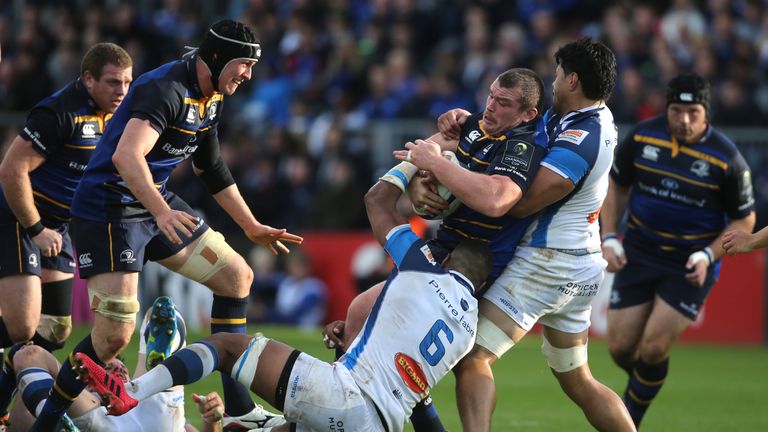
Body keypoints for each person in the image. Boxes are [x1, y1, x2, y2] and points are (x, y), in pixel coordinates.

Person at [71, 168, 495, 432]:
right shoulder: (468, 332)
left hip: (345, 396)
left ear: (450, 258)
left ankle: (131, 392)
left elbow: (377, 201)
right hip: (380, 423)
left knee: (225, 346)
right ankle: (237, 419)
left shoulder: (422, 266)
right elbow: (415, 390)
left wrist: (422, 158)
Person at [31, 20, 303, 431]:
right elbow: (126, 156)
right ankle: (46, 422)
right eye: (243, 64)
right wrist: (160, 212)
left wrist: (250, 224)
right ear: (216, 58)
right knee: (112, 340)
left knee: (236, 278)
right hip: (109, 209)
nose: (248, 74)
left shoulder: (211, 96)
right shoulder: (166, 89)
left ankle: (241, 409)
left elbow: (209, 166)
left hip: (152, 203)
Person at [324, 67, 549, 431]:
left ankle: (347, 413)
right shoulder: (474, 125)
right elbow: (429, 152)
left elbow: (496, 199)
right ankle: (348, 410)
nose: (490, 106)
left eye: (503, 102)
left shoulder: (523, 145)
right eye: (490, 95)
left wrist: (431, 166)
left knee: (369, 330)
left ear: (528, 114)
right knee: (357, 322)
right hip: (436, 254)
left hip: (469, 270)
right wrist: (420, 179)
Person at [432, 38, 635, 431]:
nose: (553, 82)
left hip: (549, 263)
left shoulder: (584, 138)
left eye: (558, 75)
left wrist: (461, 184)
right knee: (578, 380)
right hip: (577, 263)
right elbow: (517, 127)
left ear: (573, 79)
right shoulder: (579, 117)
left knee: (472, 356)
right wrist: (468, 123)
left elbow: (518, 202)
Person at [600, 72, 755, 427]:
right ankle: (648, 381)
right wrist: (610, 237)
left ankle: (628, 420)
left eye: (692, 112)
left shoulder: (727, 159)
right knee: (621, 348)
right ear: (666, 108)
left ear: (706, 113)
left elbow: (744, 221)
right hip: (638, 252)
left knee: (653, 347)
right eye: (676, 111)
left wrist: (708, 255)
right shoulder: (641, 136)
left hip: (690, 263)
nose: (684, 120)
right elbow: (617, 185)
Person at [0, 42, 133, 421]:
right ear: (87, 79)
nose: (121, 91)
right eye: (112, 82)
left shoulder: (119, 117)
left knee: (56, 330)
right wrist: (36, 227)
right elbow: (11, 170)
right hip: (17, 217)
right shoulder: (59, 112)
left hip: (56, 226)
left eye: (126, 82)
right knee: (22, 326)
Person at [7, 296, 226, 431]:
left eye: (117, 368)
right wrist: (63, 381)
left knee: (158, 314)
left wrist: (212, 420)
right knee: (26, 355)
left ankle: (150, 373)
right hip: (101, 419)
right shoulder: (86, 399)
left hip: (143, 410)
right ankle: (59, 409)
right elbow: (30, 357)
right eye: (104, 370)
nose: (112, 369)